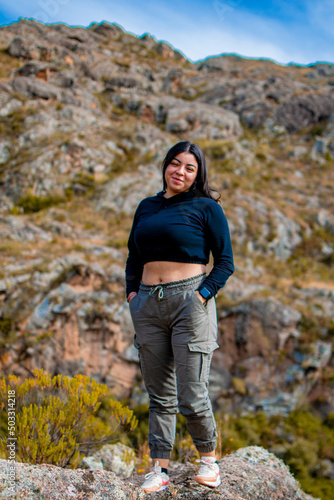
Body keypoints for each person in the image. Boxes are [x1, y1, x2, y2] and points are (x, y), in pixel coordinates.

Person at [125, 141, 234, 493]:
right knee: (160, 394)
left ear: (198, 174)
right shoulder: (147, 207)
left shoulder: (206, 208)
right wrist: (132, 296)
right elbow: (132, 257)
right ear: (165, 166)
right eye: (175, 164)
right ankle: (159, 467)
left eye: (190, 168)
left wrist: (200, 296)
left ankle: (208, 461)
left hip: (190, 301)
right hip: (147, 305)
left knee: (192, 390)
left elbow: (225, 263)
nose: (180, 172)